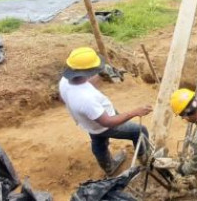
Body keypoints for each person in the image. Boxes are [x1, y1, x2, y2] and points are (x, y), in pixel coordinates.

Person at [59, 47, 152, 176]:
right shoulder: (86, 98)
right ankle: (145, 160)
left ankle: (109, 167)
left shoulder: (65, 82)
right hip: (104, 125)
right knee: (139, 130)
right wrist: (135, 112)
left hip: (88, 122)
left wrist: (98, 76)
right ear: (88, 72)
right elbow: (107, 122)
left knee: (98, 141)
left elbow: (83, 87)